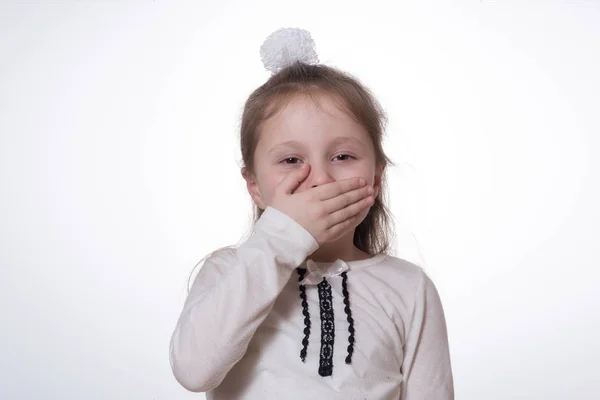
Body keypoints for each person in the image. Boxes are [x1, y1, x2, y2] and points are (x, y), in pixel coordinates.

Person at [169, 27, 454, 399]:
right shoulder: (227, 274)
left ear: (376, 175)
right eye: (291, 160)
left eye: (343, 157)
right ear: (254, 184)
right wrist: (282, 236)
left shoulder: (410, 289)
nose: (320, 179)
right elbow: (192, 370)